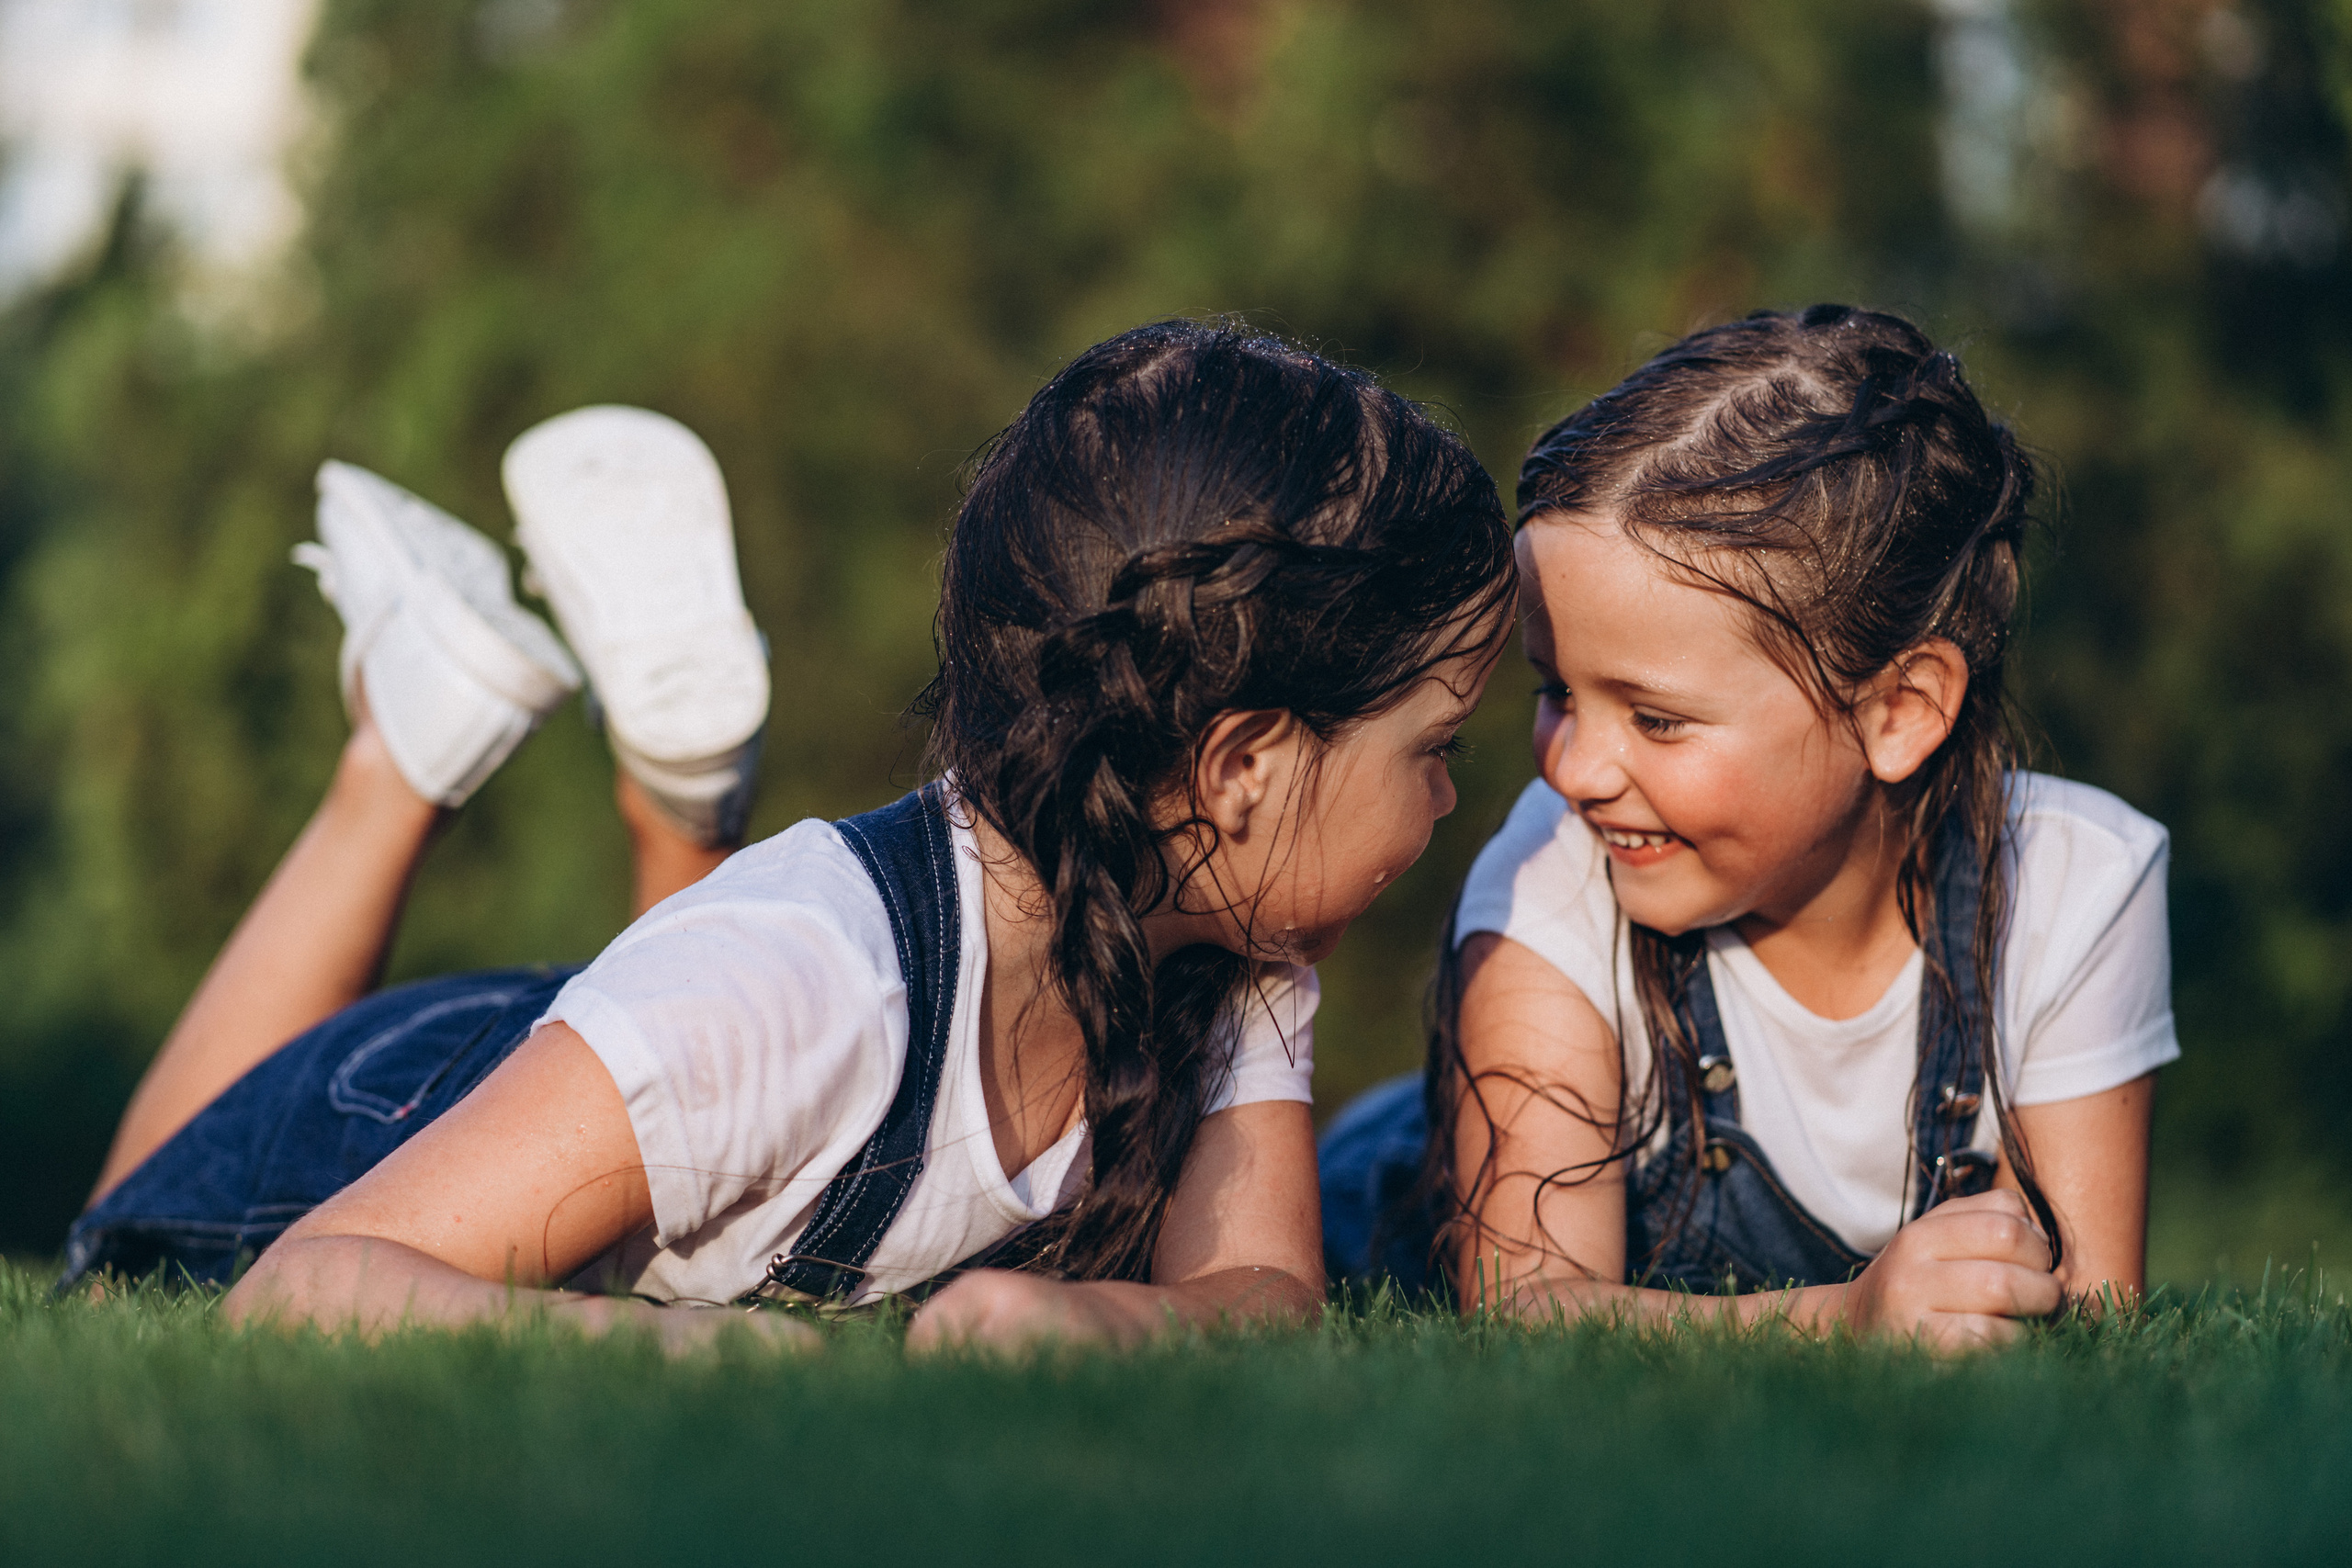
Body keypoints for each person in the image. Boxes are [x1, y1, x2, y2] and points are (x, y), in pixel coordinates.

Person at [69, 320, 1518, 1354]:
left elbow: (1260, 1296)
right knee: (114, 1240)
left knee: (720, 1095)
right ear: (1244, 765)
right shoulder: (813, 976)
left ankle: (660, 803)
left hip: (660, 1084)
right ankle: (401, 751)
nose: (1453, 796)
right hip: (376, 1131)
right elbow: (300, 1286)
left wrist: (1066, 1318)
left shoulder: (1233, 942)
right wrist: (702, 1357)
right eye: (1434, 748)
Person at [1318, 305, 2175, 1351]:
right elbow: (1524, 1310)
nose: (1575, 771)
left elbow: (2088, 1309)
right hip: (1395, 1195)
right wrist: (1848, 1319)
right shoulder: (1552, 869)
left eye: (1658, 719)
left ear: (1897, 711)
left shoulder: (2074, 887)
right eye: (1555, 693)